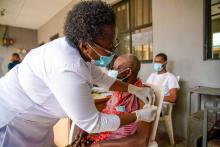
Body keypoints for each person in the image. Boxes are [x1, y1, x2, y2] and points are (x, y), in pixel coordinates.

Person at [0, 1, 157, 147]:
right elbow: (92, 123)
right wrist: (139, 115)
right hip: (14, 123)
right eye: (108, 48)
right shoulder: (67, 67)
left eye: (113, 44)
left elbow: (102, 78)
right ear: (85, 45)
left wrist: (135, 90)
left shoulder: (78, 52)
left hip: (36, 123)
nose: (112, 52)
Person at [71, 55, 154, 147]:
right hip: (105, 137)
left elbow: (141, 140)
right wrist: (86, 130)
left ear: (128, 72)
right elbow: (106, 115)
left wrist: (100, 145)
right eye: (112, 68)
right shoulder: (118, 91)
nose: (112, 72)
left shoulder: (144, 95)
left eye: (116, 69)